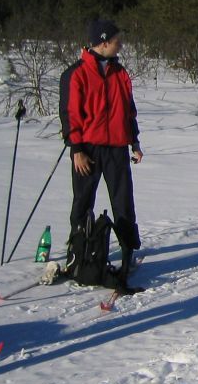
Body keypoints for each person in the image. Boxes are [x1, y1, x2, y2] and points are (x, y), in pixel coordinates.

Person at [59, 19, 142, 284]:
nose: (121, 44)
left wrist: (135, 142)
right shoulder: (77, 73)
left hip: (117, 148)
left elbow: (129, 110)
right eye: (117, 40)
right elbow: (70, 114)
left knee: (123, 202)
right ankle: (78, 252)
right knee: (83, 202)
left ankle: (127, 253)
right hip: (88, 149)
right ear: (104, 42)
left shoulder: (120, 73)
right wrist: (77, 149)